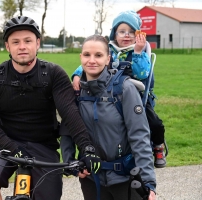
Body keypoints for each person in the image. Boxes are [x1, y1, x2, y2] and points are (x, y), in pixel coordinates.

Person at [0, 16, 101, 200]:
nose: (22, 46)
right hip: (4, 144)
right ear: (7, 46)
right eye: (15, 42)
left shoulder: (53, 74)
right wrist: (13, 148)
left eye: (28, 41)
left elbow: (69, 113)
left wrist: (87, 148)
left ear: (37, 43)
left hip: (43, 146)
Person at [60, 34, 157, 200]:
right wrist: (72, 163)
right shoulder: (75, 93)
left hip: (125, 178)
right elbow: (68, 130)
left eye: (98, 55)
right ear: (80, 57)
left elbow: (139, 136)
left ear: (108, 59)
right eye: (87, 55)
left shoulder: (124, 89)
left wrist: (148, 182)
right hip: (92, 178)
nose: (92, 60)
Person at [71, 10, 166, 168]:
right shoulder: (109, 52)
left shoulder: (140, 52)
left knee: (154, 123)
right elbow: (90, 63)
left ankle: (158, 147)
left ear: (138, 35)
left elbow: (142, 73)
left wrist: (137, 52)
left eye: (131, 32)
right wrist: (76, 75)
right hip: (112, 94)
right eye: (122, 32)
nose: (126, 35)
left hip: (136, 96)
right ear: (114, 34)